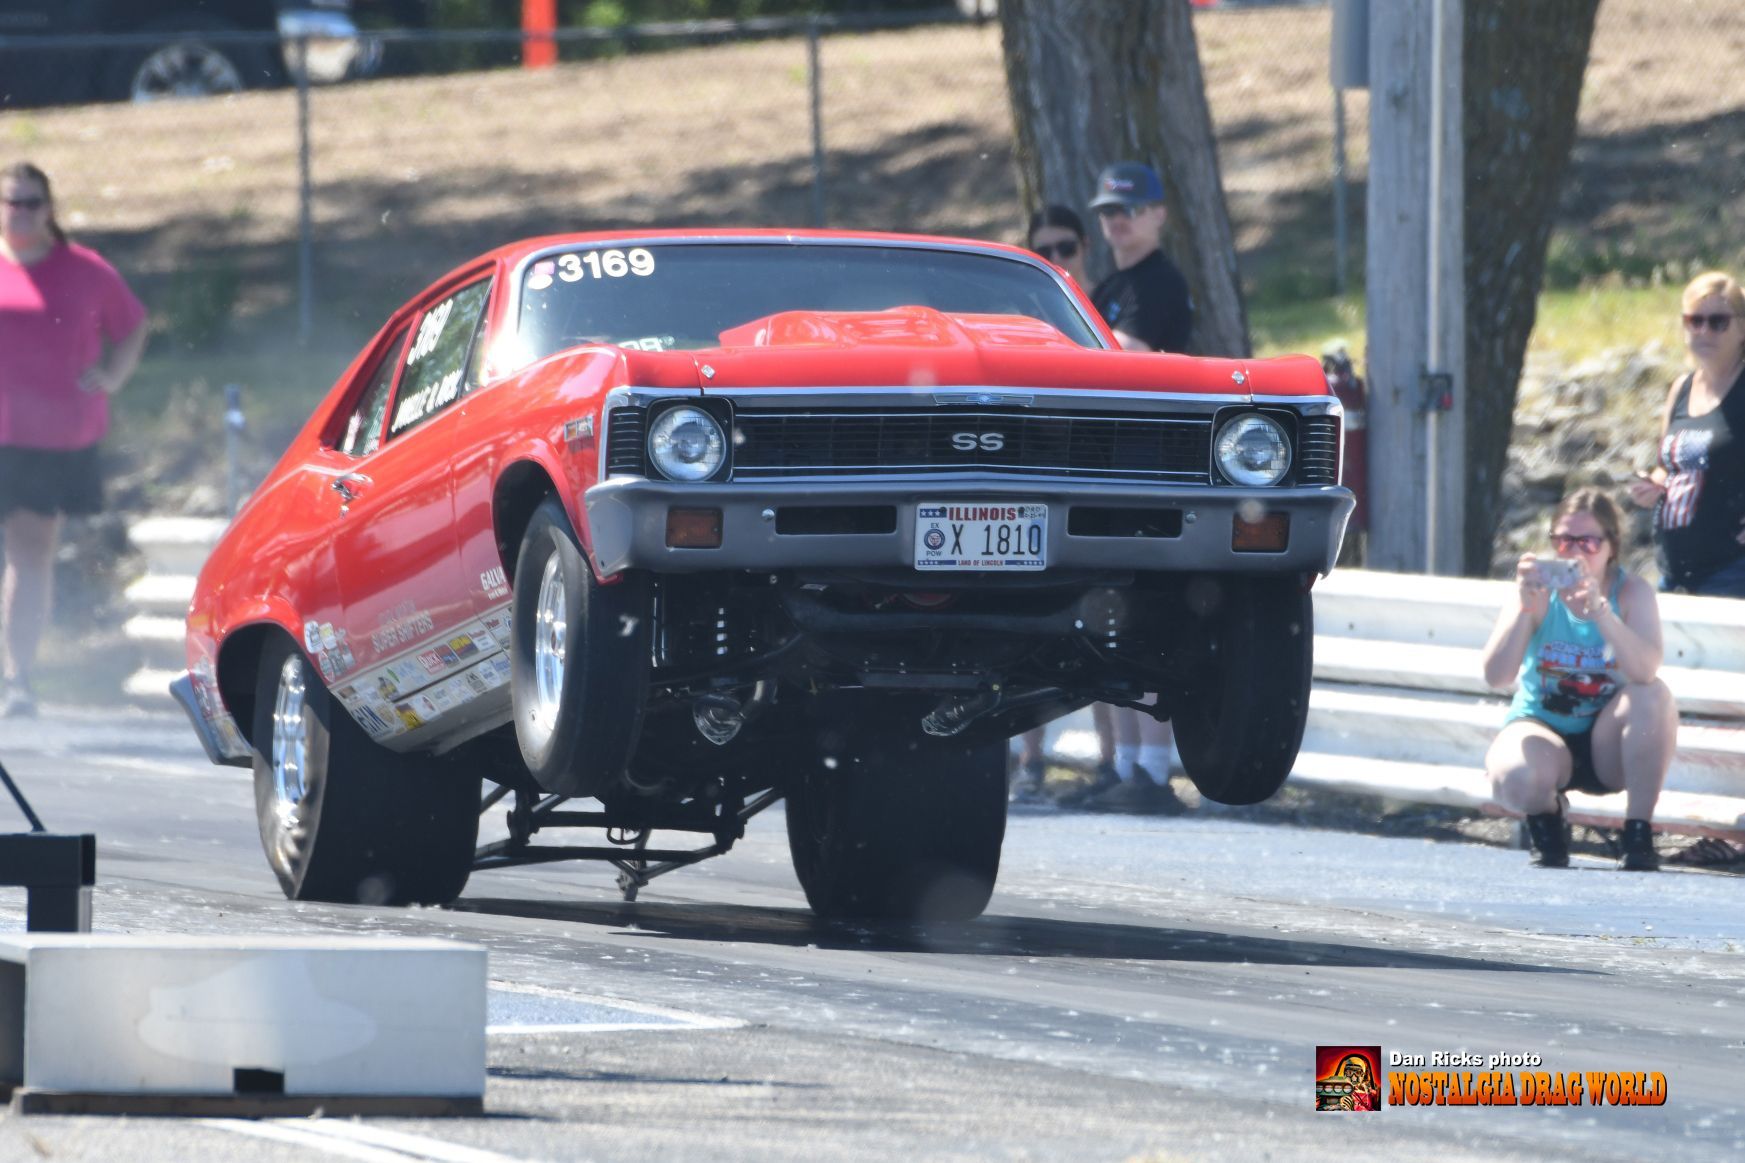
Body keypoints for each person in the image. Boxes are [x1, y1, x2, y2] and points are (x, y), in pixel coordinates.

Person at [0, 162, 147, 717]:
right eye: (12, 202)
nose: (21, 212)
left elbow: (132, 326)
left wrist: (112, 377)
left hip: (51, 437)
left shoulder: (85, 269)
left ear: (49, 209)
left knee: (29, 552)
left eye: (32, 202)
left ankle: (17, 678)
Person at [1070, 162, 1193, 815]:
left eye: (1129, 210)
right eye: (1108, 212)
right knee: (1107, 621)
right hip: (1109, 469)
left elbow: (1127, 357)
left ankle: (1151, 770)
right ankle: (1120, 764)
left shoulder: (1159, 282)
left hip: (1152, 469)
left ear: (1158, 214)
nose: (1117, 221)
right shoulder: (1110, 285)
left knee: (1144, 622)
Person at [1480, 488, 1677, 871]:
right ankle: (1549, 816)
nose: (1575, 552)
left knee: (1654, 696)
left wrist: (1601, 612)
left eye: (1588, 542)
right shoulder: (1538, 593)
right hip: (1544, 724)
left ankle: (1638, 831)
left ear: (1611, 547)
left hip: (1609, 739)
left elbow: (1645, 672)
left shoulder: (1631, 593)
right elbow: (1497, 676)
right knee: (1512, 780)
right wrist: (1525, 609)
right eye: (1564, 541)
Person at [1627, 270, 1745, 597]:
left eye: (1718, 322)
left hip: (1732, 568)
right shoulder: (1681, 388)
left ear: (1742, 329)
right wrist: (1652, 483)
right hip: (1673, 568)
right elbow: (1669, 467)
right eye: (1695, 321)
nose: (1704, 331)